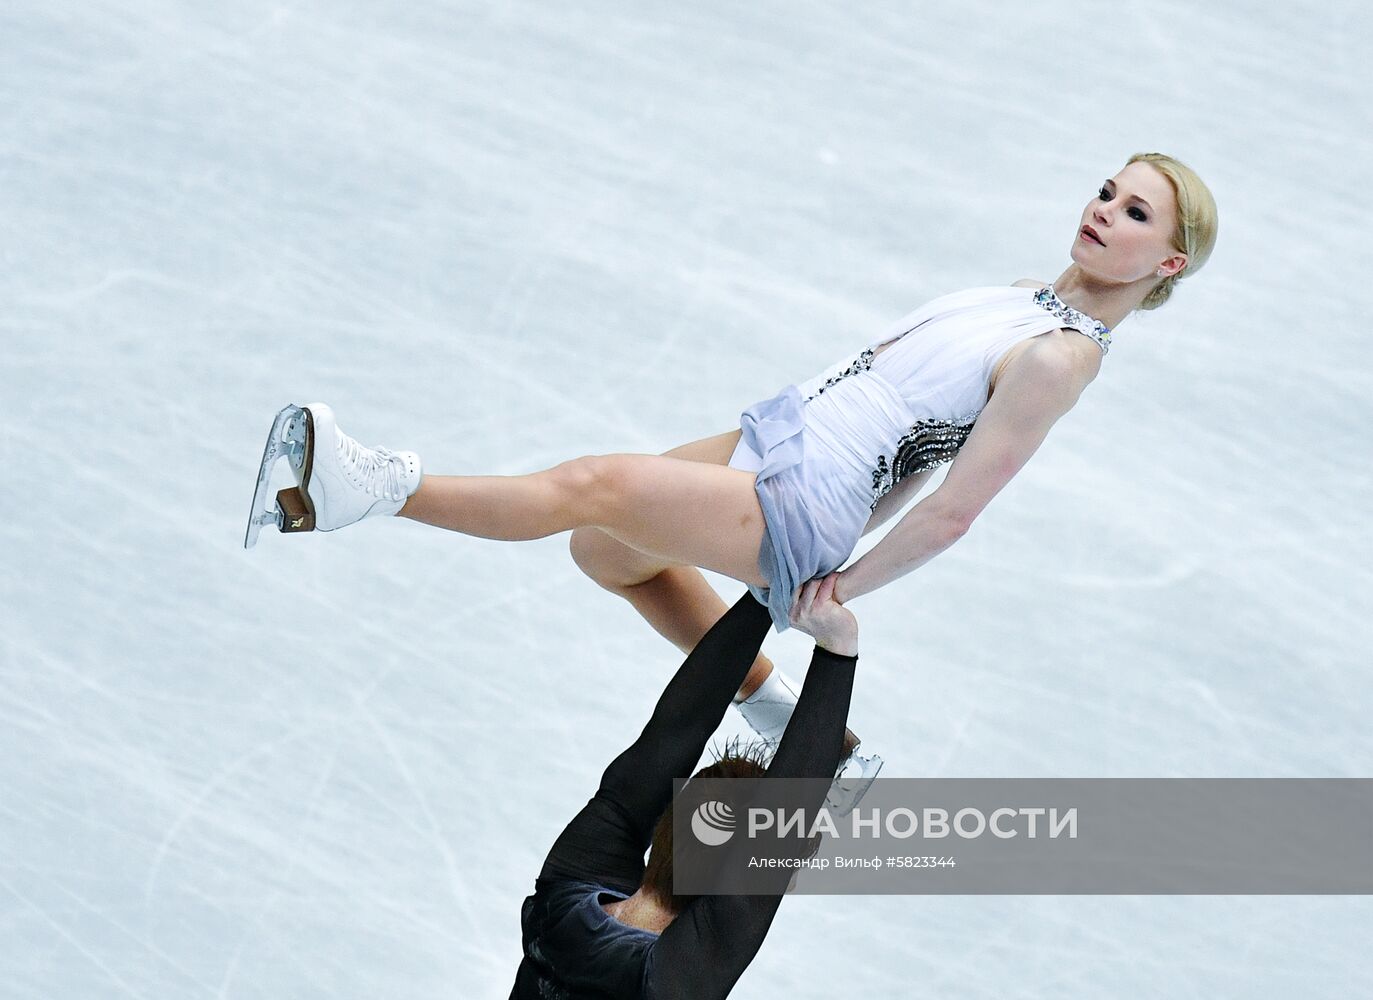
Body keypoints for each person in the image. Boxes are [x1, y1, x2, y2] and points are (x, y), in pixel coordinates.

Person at [245, 152, 1217, 748]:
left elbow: (953, 507)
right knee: (607, 554)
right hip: (781, 431)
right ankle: (785, 720)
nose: (1102, 211)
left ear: (1166, 263)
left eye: (1135, 213)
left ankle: (358, 488)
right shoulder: (1019, 297)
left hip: (808, 497)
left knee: (589, 485)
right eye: (1104, 191)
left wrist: (835, 591)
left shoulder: (1057, 358)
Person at [510, 578, 859, 999]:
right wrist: (835, 644)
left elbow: (670, 738)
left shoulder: (561, 903)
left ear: (668, 819)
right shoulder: (672, 978)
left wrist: (775, 597)